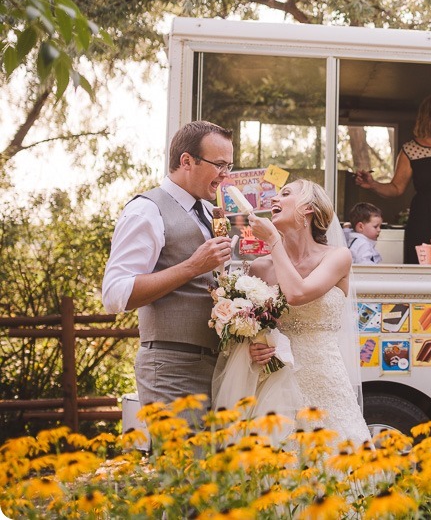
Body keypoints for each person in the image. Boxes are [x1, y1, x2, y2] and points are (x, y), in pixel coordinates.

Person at [102, 121, 234, 418]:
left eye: (230, 165)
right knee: (183, 465)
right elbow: (115, 294)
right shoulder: (146, 210)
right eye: (220, 165)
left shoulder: (210, 212)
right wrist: (191, 267)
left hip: (215, 366)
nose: (226, 175)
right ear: (187, 161)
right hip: (172, 370)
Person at [246, 179, 371, 445]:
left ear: (309, 209)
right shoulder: (259, 267)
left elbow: (297, 294)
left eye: (286, 194)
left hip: (325, 379)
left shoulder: (338, 257)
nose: (274, 199)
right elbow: (252, 327)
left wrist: (271, 240)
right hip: (275, 382)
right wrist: (252, 347)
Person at [355, 94, 431, 264]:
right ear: (429, 121)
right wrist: (373, 184)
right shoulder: (411, 150)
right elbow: (397, 188)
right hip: (425, 219)